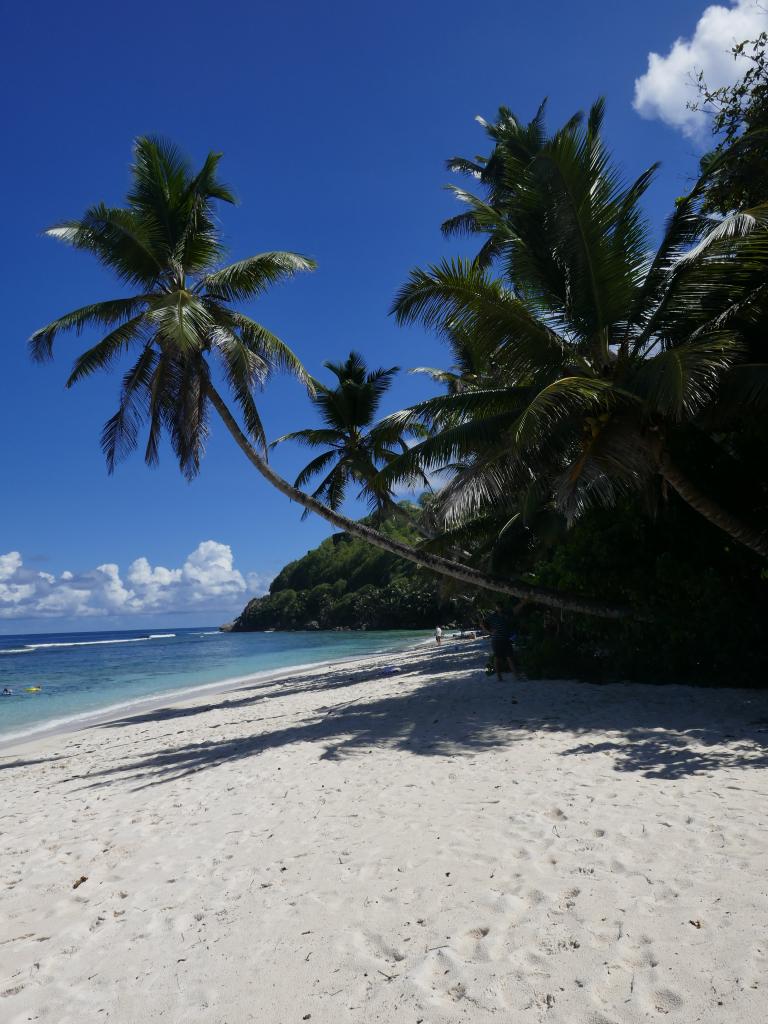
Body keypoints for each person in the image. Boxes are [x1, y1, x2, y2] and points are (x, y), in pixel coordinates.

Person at [482, 601, 527, 681]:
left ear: (502, 607)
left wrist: (525, 601)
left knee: (510, 657)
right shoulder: (492, 616)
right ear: (496, 608)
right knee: (497, 658)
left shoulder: (507, 613)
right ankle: (499, 677)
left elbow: (515, 609)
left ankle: (516, 676)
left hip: (506, 639)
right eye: (498, 607)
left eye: (501, 606)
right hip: (497, 640)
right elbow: (482, 623)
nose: (500, 608)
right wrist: (490, 631)